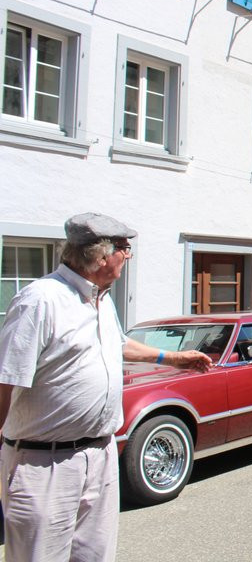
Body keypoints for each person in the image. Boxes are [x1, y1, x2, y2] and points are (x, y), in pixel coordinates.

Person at [0, 213, 212, 561]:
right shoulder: (41, 300)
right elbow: (7, 377)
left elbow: (118, 344)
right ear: (101, 256)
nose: (128, 257)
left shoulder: (101, 298)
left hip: (100, 454)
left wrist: (172, 358)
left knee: (95, 556)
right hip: (44, 462)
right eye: (125, 249)